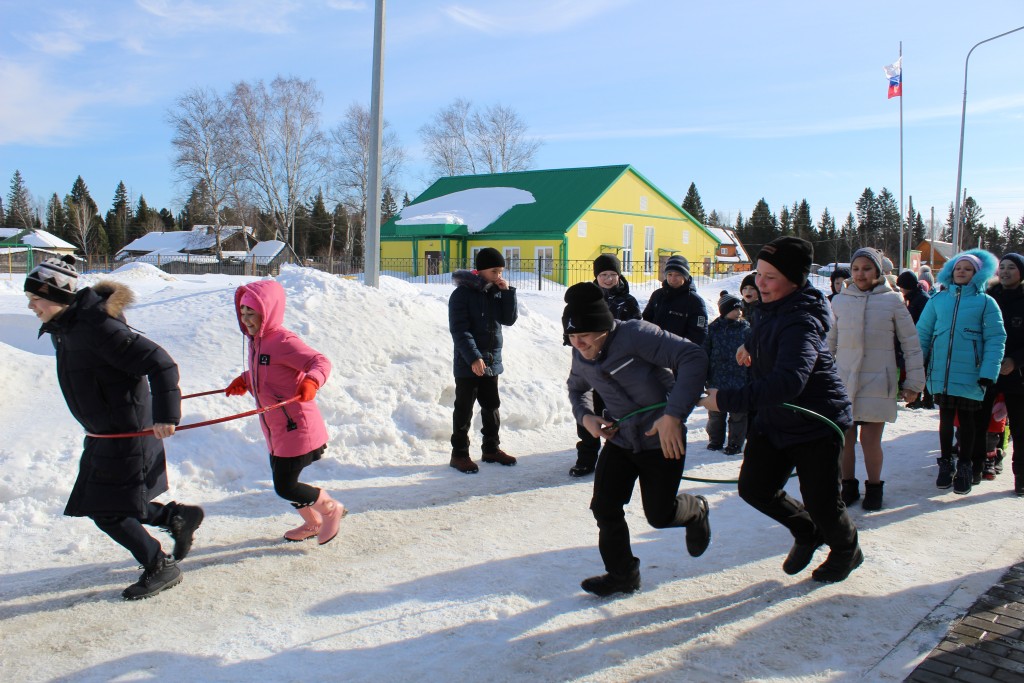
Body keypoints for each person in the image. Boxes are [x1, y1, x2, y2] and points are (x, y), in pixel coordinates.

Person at [26, 256, 204, 600]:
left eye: (36, 298)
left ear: (57, 296)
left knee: (106, 509)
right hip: (104, 434)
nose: (31, 306)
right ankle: (175, 517)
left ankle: (159, 565)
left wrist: (166, 415)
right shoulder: (66, 327)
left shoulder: (96, 328)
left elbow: (161, 363)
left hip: (127, 435)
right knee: (108, 501)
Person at [698, 236, 862, 583]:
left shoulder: (802, 321)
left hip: (816, 422)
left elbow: (789, 381)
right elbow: (769, 331)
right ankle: (807, 532)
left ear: (795, 280)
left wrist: (724, 400)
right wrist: (749, 344)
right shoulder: (772, 306)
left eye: (770, 277)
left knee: (822, 502)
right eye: (759, 273)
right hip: (775, 418)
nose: (760, 282)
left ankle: (847, 549)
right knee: (754, 487)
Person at [564, 282, 711, 597]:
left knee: (660, 515)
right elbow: (576, 389)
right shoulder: (580, 354)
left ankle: (696, 509)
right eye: (572, 337)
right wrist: (586, 417)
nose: (578, 344)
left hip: (661, 436)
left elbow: (692, 356)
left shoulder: (635, 335)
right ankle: (622, 574)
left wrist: (673, 416)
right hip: (621, 440)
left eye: (584, 336)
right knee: (605, 507)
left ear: (603, 328)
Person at [227, 280, 344, 544]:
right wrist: (246, 380)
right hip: (276, 428)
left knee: (285, 486)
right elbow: (270, 372)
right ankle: (313, 523)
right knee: (285, 482)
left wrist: (312, 381)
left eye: (251, 312)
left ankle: (329, 509)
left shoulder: (282, 341)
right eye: (242, 312)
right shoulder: (256, 341)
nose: (245, 319)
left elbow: (320, 362)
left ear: (267, 312)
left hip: (297, 426)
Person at [827, 248, 925, 511]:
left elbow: (911, 344)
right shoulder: (840, 301)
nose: (860, 274)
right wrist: (819, 379)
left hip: (878, 381)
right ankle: (848, 486)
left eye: (867, 268)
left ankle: (874, 487)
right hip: (844, 382)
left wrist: (914, 383)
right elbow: (829, 345)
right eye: (856, 269)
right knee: (845, 440)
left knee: (871, 441)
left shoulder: (892, 301)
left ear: (878, 271)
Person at [917, 249, 1005, 495]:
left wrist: (989, 371)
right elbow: (923, 333)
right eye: (958, 268)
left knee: (967, 422)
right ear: (950, 271)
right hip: (941, 372)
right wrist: (918, 363)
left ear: (978, 274)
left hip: (971, 373)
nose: (962, 272)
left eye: (968, 269)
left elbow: (996, 338)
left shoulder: (985, 302)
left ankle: (966, 465)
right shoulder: (938, 300)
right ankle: (946, 463)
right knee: (945, 420)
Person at [570, 254, 641, 477]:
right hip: (589, 363)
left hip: (618, 367)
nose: (608, 279)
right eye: (603, 275)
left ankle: (618, 458)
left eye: (612, 274)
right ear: (596, 276)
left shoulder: (628, 302)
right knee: (588, 411)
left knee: (616, 412)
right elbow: (572, 326)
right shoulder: (586, 300)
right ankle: (587, 457)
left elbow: (637, 331)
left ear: (619, 275)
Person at [448, 247, 519, 473]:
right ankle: (459, 454)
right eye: (494, 271)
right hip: (468, 362)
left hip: (491, 360)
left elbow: (508, 320)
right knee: (464, 409)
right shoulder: (462, 294)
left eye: (501, 271)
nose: (498, 276)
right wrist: (474, 357)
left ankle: (491, 449)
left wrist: (507, 293)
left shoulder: (495, 292)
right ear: (480, 271)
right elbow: (459, 330)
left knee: (491, 406)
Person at [980, 252, 1024, 495]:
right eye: (1003, 267)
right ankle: (977, 466)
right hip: (989, 370)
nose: (1005, 272)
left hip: (1017, 374)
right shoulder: (988, 296)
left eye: (1011, 268)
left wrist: (1015, 361)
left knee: (1019, 428)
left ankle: (1021, 477)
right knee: (980, 422)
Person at [702, 292, 750, 455]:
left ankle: (735, 443)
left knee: (738, 414)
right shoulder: (713, 329)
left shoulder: (746, 329)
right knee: (716, 413)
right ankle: (715, 440)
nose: (738, 312)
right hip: (717, 378)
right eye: (734, 309)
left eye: (740, 309)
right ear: (724, 311)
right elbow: (705, 353)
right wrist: (705, 375)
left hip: (740, 379)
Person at [641, 255, 709, 345]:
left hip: (679, 351)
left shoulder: (695, 302)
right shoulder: (657, 295)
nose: (673, 279)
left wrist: (680, 349)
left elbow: (699, 333)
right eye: (670, 274)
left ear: (685, 276)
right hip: (654, 347)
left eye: (678, 275)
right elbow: (646, 321)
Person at [896, 269, 934, 409]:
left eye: (902, 287)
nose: (901, 290)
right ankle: (920, 399)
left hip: (921, 339)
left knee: (923, 368)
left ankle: (923, 399)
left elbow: (923, 321)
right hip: (916, 337)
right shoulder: (914, 297)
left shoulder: (921, 299)